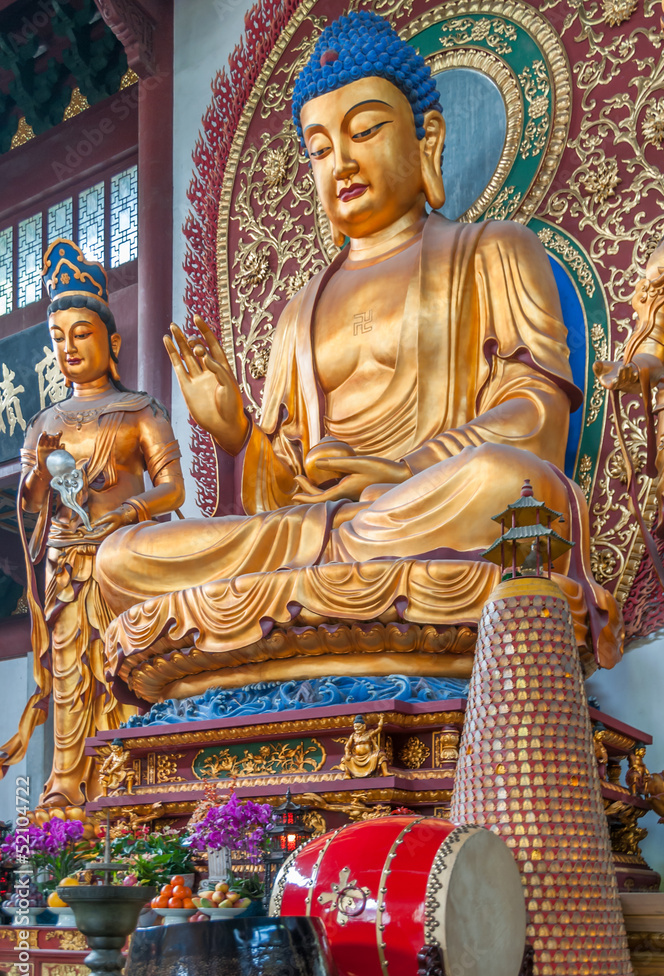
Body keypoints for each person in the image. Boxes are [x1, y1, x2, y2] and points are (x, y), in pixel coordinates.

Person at [97, 11, 621, 686]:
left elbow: (537, 421)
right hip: (321, 536)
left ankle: (310, 600)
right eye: (317, 149)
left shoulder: (492, 251)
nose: (340, 163)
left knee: (503, 485)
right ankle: (325, 585)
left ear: (425, 136)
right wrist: (239, 435)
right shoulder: (299, 313)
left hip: (422, 510)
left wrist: (398, 472)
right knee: (121, 558)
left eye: (365, 130)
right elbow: (285, 491)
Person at [0, 239, 184, 806]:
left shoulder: (140, 410)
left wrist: (127, 514)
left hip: (120, 559)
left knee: (121, 666)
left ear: (113, 341)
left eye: (81, 333)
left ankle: (129, 785)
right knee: (68, 679)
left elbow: (172, 489)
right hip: (64, 564)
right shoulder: (45, 422)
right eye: (58, 338)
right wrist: (37, 475)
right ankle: (67, 788)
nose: (68, 348)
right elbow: (31, 502)